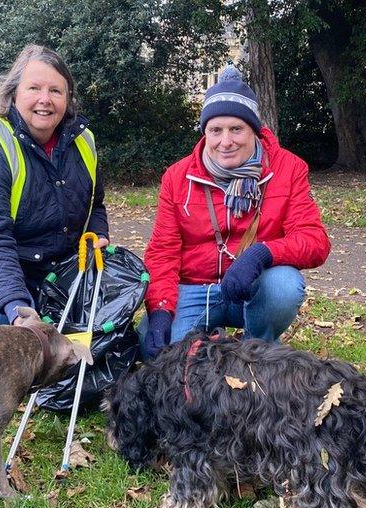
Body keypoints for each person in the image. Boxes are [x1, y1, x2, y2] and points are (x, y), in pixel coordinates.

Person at [140, 65, 331, 359]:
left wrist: (261, 254)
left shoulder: (288, 168)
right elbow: (162, 252)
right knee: (153, 347)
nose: (225, 142)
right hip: (195, 290)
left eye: (236, 129)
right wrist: (161, 311)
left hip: (252, 289)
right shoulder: (177, 177)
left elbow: (314, 240)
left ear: (253, 130)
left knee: (283, 285)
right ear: (205, 132)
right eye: (215, 130)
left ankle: (258, 349)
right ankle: (207, 339)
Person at [0, 44, 108, 327]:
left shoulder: (83, 141)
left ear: (68, 98)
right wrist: (17, 305)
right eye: (34, 89)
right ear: (13, 94)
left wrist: (97, 232)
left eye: (56, 91)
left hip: (53, 268)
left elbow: (95, 204)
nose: (45, 99)